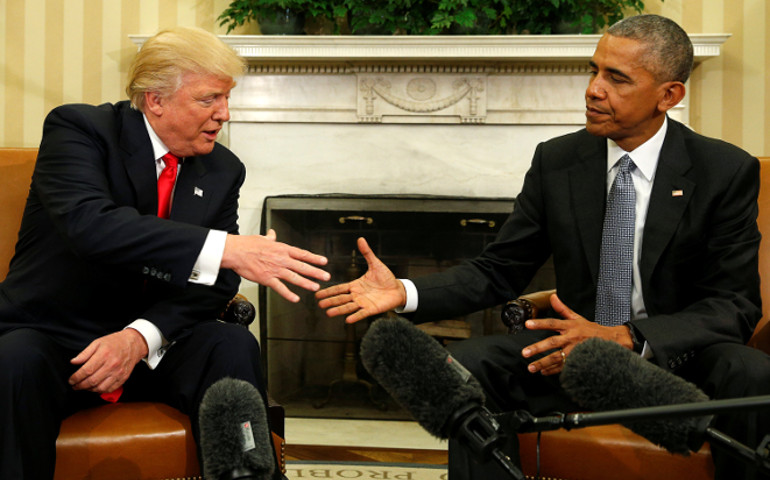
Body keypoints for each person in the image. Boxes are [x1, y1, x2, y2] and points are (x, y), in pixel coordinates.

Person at [317, 14, 770, 480]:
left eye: (616, 78)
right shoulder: (558, 161)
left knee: (751, 372)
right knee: (467, 366)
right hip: (567, 357)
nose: (594, 89)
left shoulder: (723, 171)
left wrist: (630, 337)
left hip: (677, 363)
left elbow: (733, 304)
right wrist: (406, 293)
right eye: (593, 71)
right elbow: (500, 268)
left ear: (669, 95)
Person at [0, 26, 329, 479]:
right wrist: (225, 247)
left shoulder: (222, 169)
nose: (224, 115)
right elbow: (92, 227)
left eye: (226, 99)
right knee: (12, 359)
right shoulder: (80, 130)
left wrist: (139, 338)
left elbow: (217, 283)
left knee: (230, 342)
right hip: (56, 340)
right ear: (155, 100)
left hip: (152, 345)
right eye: (208, 99)